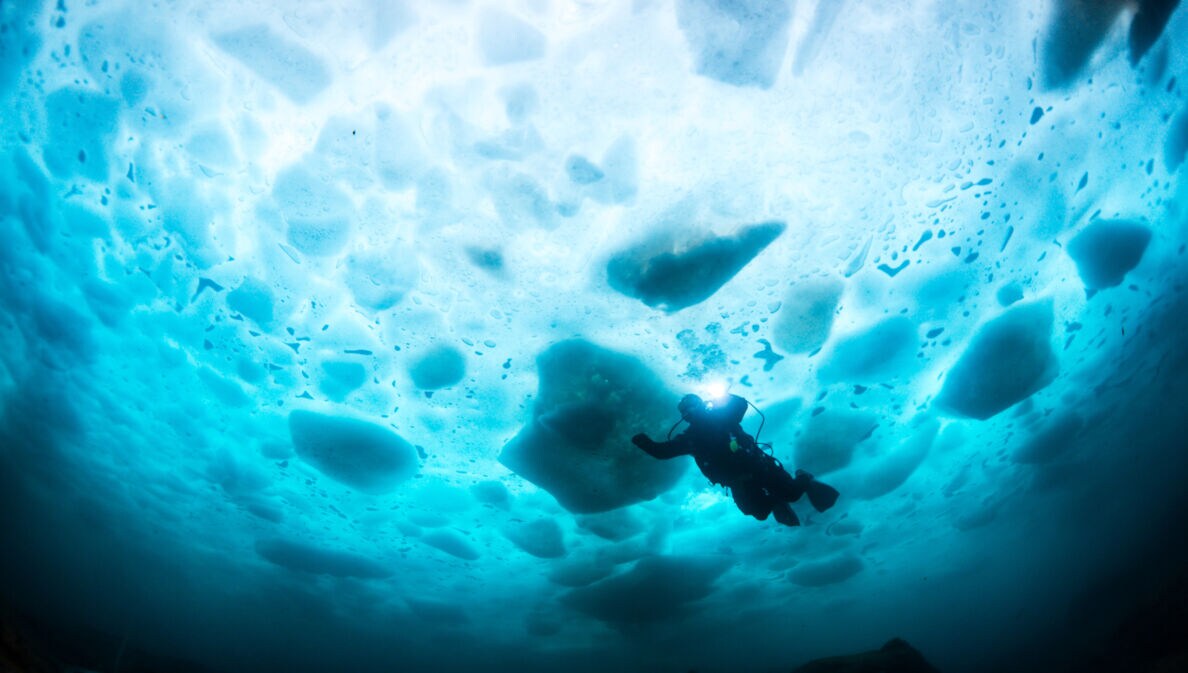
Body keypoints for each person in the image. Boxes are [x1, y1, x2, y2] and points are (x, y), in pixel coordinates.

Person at [632, 393, 839, 526]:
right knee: (757, 512)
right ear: (684, 416)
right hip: (738, 481)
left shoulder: (724, 417)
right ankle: (776, 501)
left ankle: (803, 477)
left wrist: (720, 398)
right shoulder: (690, 439)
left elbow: (740, 403)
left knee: (793, 494)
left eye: (694, 405)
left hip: (761, 467)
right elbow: (661, 452)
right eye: (686, 410)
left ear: (703, 405)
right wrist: (639, 439)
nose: (691, 411)